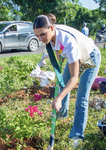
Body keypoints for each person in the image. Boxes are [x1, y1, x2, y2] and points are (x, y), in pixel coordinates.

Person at [33, 15, 101, 148]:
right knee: (62, 84)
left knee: (81, 95)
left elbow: (74, 78)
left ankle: (77, 135)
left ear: (51, 28)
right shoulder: (51, 36)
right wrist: (59, 52)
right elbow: (57, 46)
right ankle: (62, 114)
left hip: (89, 57)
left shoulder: (68, 42)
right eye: (37, 36)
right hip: (75, 57)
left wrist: (58, 98)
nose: (40, 39)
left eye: (42, 34)